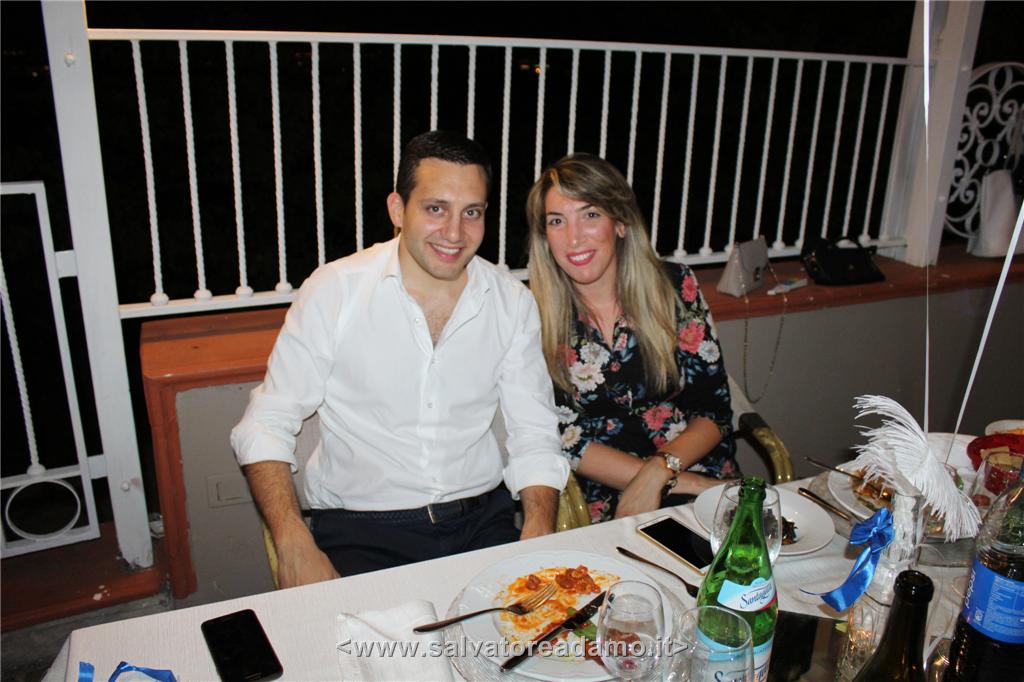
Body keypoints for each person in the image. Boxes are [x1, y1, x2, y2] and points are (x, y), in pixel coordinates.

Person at [231, 131, 568, 587]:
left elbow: (534, 433)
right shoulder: (335, 291)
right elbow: (265, 423)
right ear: (397, 209)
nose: (455, 233)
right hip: (362, 531)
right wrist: (292, 540)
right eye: (436, 209)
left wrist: (538, 529)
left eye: (471, 212)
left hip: (482, 523)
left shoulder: (511, 302)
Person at [526, 153, 737, 524]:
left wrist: (661, 470)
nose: (574, 238)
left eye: (590, 215)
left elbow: (712, 411)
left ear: (620, 222)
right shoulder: (532, 316)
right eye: (557, 221)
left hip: (701, 474)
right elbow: (567, 438)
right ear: (545, 237)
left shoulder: (675, 287)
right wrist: (675, 482)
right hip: (612, 498)